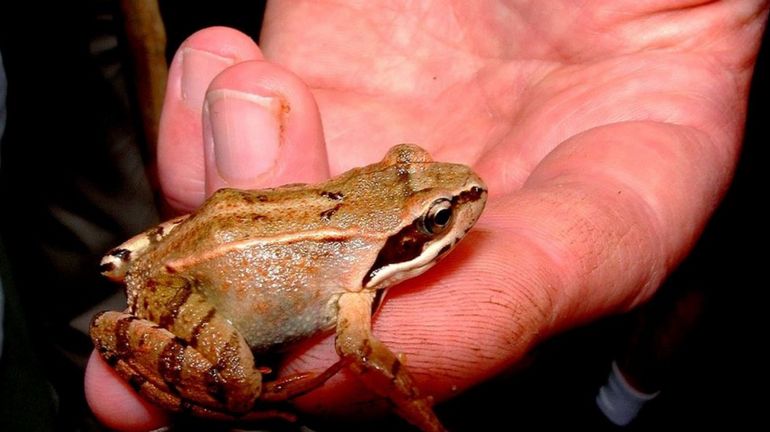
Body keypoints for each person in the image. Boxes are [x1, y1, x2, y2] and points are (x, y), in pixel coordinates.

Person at [84, 2, 769, 430]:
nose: (461, 207)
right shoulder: (356, 305)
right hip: (187, 285)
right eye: (438, 217)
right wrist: (419, 409)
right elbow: (360, 352)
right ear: (407, 234)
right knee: (237, 384)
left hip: (187, 246)